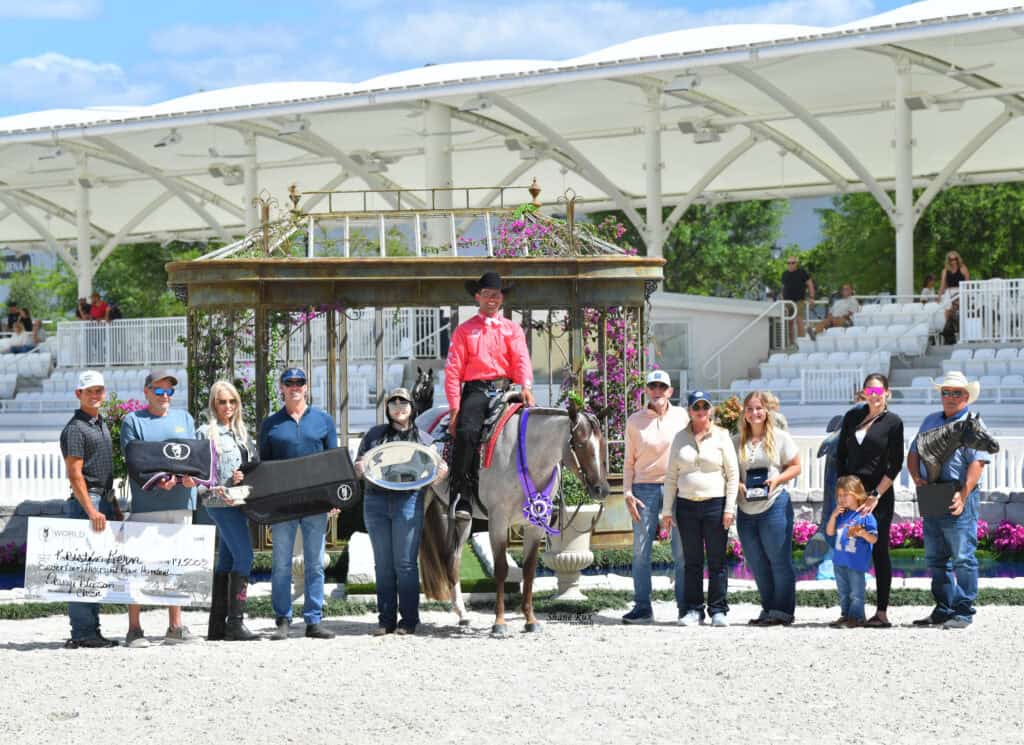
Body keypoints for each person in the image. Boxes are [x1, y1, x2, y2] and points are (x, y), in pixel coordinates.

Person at [355, 387, 447, 636]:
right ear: (387, 408)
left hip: (408, 501)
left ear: (411, 407)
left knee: (405, 564)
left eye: (403, 402)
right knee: (383, 564)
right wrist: (359, 467)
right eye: (393, 402)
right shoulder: (374, 436)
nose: (398, 406)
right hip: (375, 502)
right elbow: (358, 466)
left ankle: (409, 620)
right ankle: (385, 620)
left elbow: (436, 470)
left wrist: (441, 473)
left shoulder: (425, 440)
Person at [120, 369, 201, 647]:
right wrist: (158, 482)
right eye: (159, 390)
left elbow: (194, 457)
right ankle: (134, 629)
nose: (165, 396)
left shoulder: (185, 418)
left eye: (169, 391)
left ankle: (175, 626)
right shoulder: (133, 421)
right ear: (146, 392)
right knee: (139, 566)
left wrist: (192, 479)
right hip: (147, 505)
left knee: (176, 565)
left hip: (181, 503)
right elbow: (135, 462)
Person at [444, 271, 535, 519]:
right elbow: (453, 371)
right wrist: (454, 409)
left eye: (496, 295)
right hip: (477, 391)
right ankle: (462, 494)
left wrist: (526, 386)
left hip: (508, 390)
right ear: (478, 297)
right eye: (487, 294)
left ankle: (539, 493)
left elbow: (521, 359)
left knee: (538, 427)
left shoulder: (512, 329)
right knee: (467, 432)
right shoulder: (464, 331)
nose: (492, 299)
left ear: (502, 299)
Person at [907, 371, 990, 629]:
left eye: (956, 393)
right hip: (932, 493)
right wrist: (915, 477)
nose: (951, 397)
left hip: (958, 494)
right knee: (935, 558)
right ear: (941, 395)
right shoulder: (930, 420)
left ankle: (963, 612)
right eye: (946, 392)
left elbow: (977, 463)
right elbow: (914, 452)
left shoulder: (972, 423)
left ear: (966, 397)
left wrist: (963, 495)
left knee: (963, 557)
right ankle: (943, 608)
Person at [259, 367, 337, 641]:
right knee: (281, 563)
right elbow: (264, 469)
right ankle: (282, 619)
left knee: (315, 563)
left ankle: (314, 620)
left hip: (315, 503)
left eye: (299, 382)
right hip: (283, 504)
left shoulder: (324, 421)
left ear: (306, 387)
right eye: (289, 382)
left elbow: (333, 464)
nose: (295, 386)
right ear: (281, 387)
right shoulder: (270, 425)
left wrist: (333, 498)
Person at [660, 391, 739, 627]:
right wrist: (666, 510)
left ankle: (718, 610)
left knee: (717, 561)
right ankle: (694, 610)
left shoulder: (722, 436)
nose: (701, 412)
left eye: (705, 407)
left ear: (710, 410)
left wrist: (729, 508)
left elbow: (733, 474)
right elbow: (671, 476)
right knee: (692, 561)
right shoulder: (679, 438)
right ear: (689, 411)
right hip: (686, 506)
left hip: (715, 504)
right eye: (696, 408)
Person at [834, 373, 904, 628]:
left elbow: (895, 464)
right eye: (869, 391)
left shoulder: (894, 422)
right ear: (863, 392)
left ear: (887, 393)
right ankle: (852, 611)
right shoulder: (852, 417)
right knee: (849, 547)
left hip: (878, 497)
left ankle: (882, 611)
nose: (873, 396)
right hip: (851, 495)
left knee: (878, 550)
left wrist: (876, 495)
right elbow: (841, 456)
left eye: (878, 391)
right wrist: (843, 494)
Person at [620, 370, 689, 624]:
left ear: (670, 391)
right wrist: (627, 492)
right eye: (653, 387)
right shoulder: (634, 421)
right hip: (643, 490)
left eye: (662, 387)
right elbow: (629, 462)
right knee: (640, 551)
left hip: (677, 487)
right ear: (647, 391)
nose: (657, 391)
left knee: (682, 550)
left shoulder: (682, 416)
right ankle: (642, 607)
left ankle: (685, 607)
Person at [59, 370, 120, 648]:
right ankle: (83, 632)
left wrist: (113, 505)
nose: (95, 395)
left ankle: (91, 630)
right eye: (89, 391)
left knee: (95, 567)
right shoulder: (75, 428)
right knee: (83, 569)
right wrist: (92, 511)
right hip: (88, 502)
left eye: (99, 390)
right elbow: (75, 475)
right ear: (78, 394)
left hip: (103, 499)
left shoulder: (99, 423)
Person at [197, 380, 259, 642]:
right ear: (214, 403)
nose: (228, 406)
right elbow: (200, 471)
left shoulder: (243, 433)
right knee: (245, 557)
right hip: (219, 501)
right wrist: (221, 484)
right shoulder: (205, 432)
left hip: (239, 502)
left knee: (227, 559)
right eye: (222, 401)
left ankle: (218, 625)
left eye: (232, 401)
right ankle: (235, 622)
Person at [734, 391, 801, 626]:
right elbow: (731, 473)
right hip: (746, 509)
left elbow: (795, 466)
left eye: (759, 408)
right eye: (750, 409)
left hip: (774, 505)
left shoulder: (780, 437)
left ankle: (783, 611)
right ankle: (768, 608)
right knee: (756, 562)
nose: (754, 413)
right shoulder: (736, 441)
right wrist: (738, 484)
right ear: (744, 412)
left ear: (766, 411)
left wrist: (777, 480)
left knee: (779, 560)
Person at [826, 475, 878, 628]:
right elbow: (829, 532)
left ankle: (857, 617)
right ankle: (846, 615)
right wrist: (833, 515)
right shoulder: (841, 515)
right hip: (839, 561)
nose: (841, 499)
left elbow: (874, 539)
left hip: (856, 563)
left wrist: (862, 533)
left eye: (845, 495)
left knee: (856, 593)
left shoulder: (866, 516)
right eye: (839, 496)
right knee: (843, 592)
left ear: (857, 495)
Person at [780, 255, 815, 342]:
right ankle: (790, 343)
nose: (790, 264)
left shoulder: (802, 272)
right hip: (787, 302)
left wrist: (811, 297)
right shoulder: (784, 274)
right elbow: (783, 288)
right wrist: (782, 300)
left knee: (799, 320)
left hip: (799, 301)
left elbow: (810, 284)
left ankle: (802, 343)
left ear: (796, 264)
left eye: (792, 263)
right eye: (788, 263)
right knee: (788, 323)